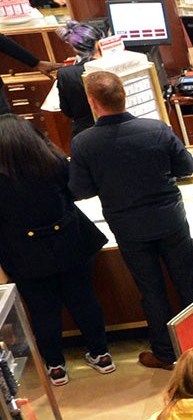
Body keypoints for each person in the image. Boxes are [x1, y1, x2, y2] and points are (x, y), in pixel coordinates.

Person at [67, 71, 193, 373]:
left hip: (128, 227)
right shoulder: (157, 129)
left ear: (92, 102)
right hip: (171, 219)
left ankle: (165, 353)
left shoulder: (84, 143)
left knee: (151, 291)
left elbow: (81, 190)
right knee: (189, 282)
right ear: (124, 94)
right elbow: (187, 167)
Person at [0, 117, 113, 386]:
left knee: (42, 311)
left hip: (24, 255)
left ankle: (56, 367)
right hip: (70, 243)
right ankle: (102, 356)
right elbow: (73, 193)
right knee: (85, 300)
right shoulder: (54, 162)